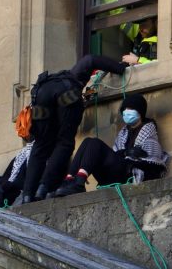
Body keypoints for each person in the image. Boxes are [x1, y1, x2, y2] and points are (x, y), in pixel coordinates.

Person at [21, 55, 129, 203]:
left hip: (40, 93)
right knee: (64, 143)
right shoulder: (74, 77)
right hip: (67, 95)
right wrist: (120, 67)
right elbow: (91, 60)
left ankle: (27, 195)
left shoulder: (57, 78)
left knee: (40, 145)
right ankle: (44, 187)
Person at [53, 93, 170, 197]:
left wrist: (131, 159)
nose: (126, 112)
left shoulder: (149, 134)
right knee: (87, 141)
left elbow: (152, 163)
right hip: (115, 171)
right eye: (125, 109)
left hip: (128, 173)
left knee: (95, 144)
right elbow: (116, 154)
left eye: (130, 109)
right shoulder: (123, 133)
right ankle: (70, 180)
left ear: (140, 112)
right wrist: (125, 153)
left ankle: (80, 182)